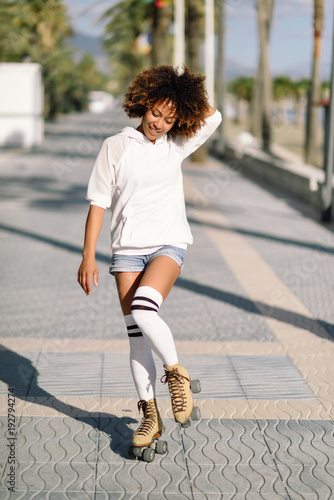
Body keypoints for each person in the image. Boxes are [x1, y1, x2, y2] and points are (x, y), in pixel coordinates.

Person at [77, 65, 222, 452]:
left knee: (144, 310)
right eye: (156, 113)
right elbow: (99, 203)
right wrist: (88, 256)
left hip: (167, 244)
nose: (159, 123)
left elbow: (214, 116)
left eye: (170, 118)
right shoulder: (116, 145)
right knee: (137, 337)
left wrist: (181, 84)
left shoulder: (177, 144)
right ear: (143, 105)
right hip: (126, 251)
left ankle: (177, 375)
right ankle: (149, 414)